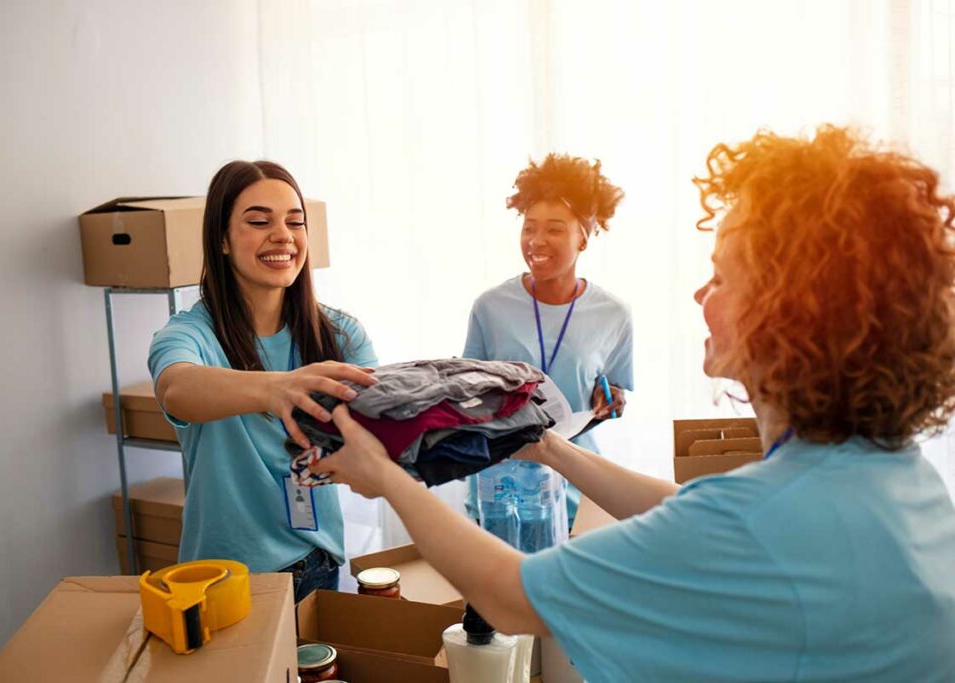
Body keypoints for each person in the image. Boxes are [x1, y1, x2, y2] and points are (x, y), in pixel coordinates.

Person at [312, 126, 955, 681]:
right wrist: (550, 447)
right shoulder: (894, 476)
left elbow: (511, 597)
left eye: (724, 275)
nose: (701, 293)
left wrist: (388, 478)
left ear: (793, 311)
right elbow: (695, 514)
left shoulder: (764, 519)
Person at [148, 160, 377, 601]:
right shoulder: (188, 334)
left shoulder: (342, 335)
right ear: (222, 240)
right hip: (228, 579)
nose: (283, 236)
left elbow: (372, 434)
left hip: (319, 564)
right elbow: (177, 390)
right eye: (258, 221)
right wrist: (277, 389)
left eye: (295, 222)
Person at [463, 153, 633, 528]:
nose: (537, 240)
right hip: (502, 488)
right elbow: (465, 392)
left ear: (584, 236)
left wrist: (613, 399)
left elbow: (617, 392)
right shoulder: (490, 307)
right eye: (529, 227)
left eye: (555, 229)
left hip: (577, 488)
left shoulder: (613, 314)